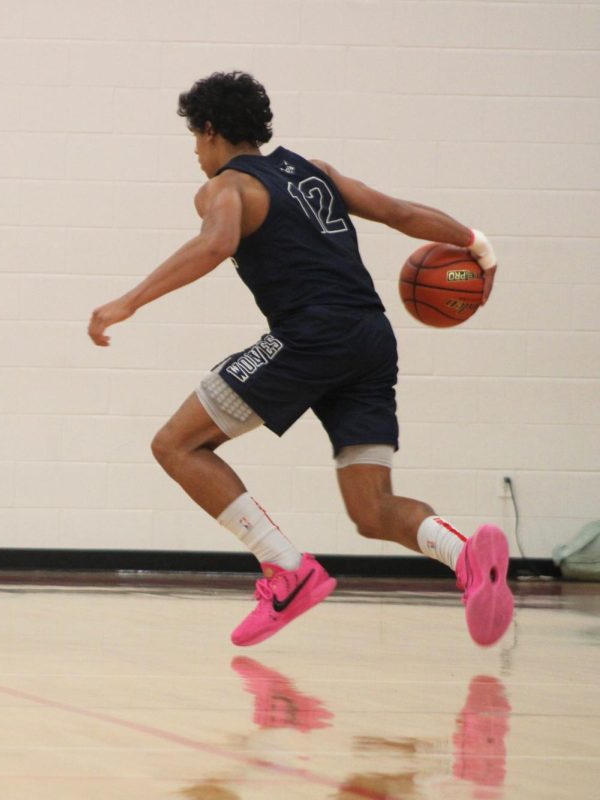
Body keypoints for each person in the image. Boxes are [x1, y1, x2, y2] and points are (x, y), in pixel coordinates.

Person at [88, 71, 512, 648]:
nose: (194, 150)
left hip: (312, 335)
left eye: (194, 136)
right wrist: (477, 245)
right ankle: (466, 558)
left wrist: (128, 301)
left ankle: (286, 568)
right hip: (371, 338)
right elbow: (397, 212)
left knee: (176, 444)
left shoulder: (226, 187)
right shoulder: (314, 172)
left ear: (210, 130)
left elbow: (215, 245)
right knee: (372, 509)